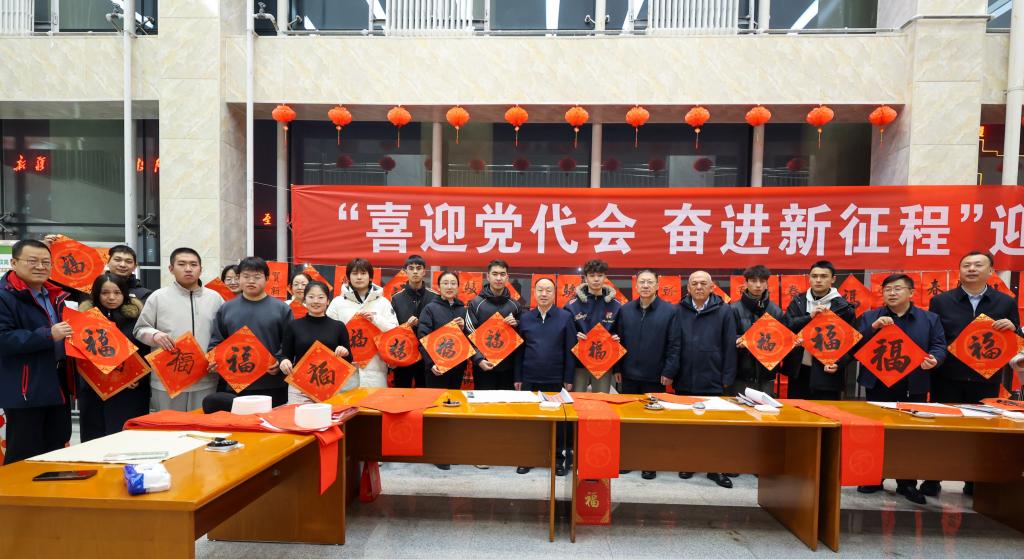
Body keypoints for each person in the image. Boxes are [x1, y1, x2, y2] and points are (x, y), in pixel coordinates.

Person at [921, 251, 1020, 498]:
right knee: (942, 429)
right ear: (960, 270)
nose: (972, 269)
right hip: (947, 376)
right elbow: (936, 337)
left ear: (991, 271)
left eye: (978, 265)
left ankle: (974, 481)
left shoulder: (1005, 302)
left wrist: (1013, 328)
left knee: (980, 432)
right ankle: (933, 478)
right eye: (967, 265)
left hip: (985, 378)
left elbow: (1015, 339)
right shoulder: (941, 301)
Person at [855, 273, 946, 504]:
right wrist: (873, 328)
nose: (892, 293)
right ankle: (873, 477)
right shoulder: (870, 317)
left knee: (908, 434)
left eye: (897, 289)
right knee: (876, 431)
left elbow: (939, 345)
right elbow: (854, 345)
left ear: (911, 293)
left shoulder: (929, 319)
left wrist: (935, 359)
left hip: (913, 384)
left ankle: (907, 482)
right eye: (887, 289)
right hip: (878, 383)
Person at [0, 239, 73, 463]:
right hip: (25, 386)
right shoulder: (4, 296)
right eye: (32, 261)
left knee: (56, 447)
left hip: (58, 381)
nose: (40, 267)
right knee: (24, 451)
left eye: (46, 262)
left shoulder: (55, 294)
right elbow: (3, 339)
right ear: (14, 263)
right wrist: (48, 335)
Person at [417, 271, 494, 471]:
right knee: (436, 409)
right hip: (436, 368)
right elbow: (422, 338)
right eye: (446, 283)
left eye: (453, 283)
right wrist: (431, 363)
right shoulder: (430, 308)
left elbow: (470, 338)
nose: (449, 286)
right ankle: (436, 452)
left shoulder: (463, 309)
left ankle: (450, 449)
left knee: (452, 408)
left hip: (457, 366)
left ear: (458, 287)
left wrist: (477, 356)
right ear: (439, 286)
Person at [134, 247, 224, 411]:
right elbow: (140, 329)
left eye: (193, 264)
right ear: (171, 269)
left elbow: (224, 334)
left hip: (205, 377)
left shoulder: (215, 298)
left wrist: (219, 357)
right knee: (170, 424)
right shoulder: (158, 297)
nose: (188, 269)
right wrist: (155, 335)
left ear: (201, 269)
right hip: (168, 378)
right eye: (182, 264)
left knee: (201, 424)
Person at [675, 271, 738, 489]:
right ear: (688, 288)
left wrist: (727, 377)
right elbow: (674, 344)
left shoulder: (724, 310)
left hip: (713, 377)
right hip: (685, 377)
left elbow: (730, 345)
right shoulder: (679, 310)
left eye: (703, 283)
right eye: (694, 283)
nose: (699, 287)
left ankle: (715, 468)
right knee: (688, 426)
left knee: (714, 428)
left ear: (712, 287)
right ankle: (689, 463)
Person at [615, 269, 680, 480]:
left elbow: (674, 344)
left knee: (651, 421)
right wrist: (617, 368)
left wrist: (669, 370)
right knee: (628, 420)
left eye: (649, 282)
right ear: (636, 285)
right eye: (642, 282)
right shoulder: (625, 310)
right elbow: (618, 341)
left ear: (657, 285)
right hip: (629, 374)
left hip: (656, 375)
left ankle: (649, 462)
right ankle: (628, 458)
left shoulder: (670, 311)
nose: (645, 286)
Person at [208, 256, 293, 407]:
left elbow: (290, 343)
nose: (251, 281)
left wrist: (280, 360)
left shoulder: (281, 309)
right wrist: (214, 360)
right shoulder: (227, 308)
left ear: (267, 279)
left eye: (257, 277)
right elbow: (217, 341)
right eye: (246, 276)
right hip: (236, 383)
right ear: (239, 278)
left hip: (272, 382)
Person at [76, 273, 150, 441]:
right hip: (94, 390)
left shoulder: (137, 320)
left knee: (125, 439)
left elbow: (147, 352)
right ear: (96, 294)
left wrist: (140, 377)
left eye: (117, 293)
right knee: (94, 438)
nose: (111, 297)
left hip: (129, 391)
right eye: (105, 293)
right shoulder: (84, 320)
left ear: (125, 293)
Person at [514, 277, 576, 476]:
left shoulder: (565, 317)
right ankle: (528, 457)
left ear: (554, 293)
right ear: (534, 292)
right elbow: (519, 351)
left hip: (555, 378)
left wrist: (569, 378)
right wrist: (518, 377)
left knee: (557, 421)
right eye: (540, 290)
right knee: (530, 420)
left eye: (548, 290)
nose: (543, 294)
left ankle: (558, 458)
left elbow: (570, 350)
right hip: (529, 377)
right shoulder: (526, 318)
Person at [782, 260, 856, 400]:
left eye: (823, 276)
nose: (818, 280)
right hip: (799, 369)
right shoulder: (798, 301)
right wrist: (809, 317)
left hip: (826, 372)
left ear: (833, 279)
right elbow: (786, 325)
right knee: (796, 409)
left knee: (825, 411)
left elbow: (852, 342)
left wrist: (839, 363)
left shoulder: (844, 307)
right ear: (809, 278)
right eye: (814, 276)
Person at [325, 258, 398, 389]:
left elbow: (395, 333)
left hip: (375, 369)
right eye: (354, 273)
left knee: (374, 402)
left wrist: (376, 319)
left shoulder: (383, 302)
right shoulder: (337, 302)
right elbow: (327, 334)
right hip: (345, 369)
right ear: (348, 277)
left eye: (363, 273)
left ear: (370, 277)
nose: (359, 277)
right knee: (346, 402)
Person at [280, 281, 351, 404]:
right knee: (299, 416)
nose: (316, 301)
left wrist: (344, 352)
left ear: (328, 301)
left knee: (329, 416)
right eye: (311, 297)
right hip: (299, 388)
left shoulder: (338, 326)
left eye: (321, 297)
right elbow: (286, 355)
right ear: (305, 299)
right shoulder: (294, 326)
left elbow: (349, 359)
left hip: (329, 386)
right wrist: (284, 361)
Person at [564, 259, 621, 393]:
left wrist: (615, 338)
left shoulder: (616, 305)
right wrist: (575, 338)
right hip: (579, 363)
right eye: (592, 275)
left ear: (605, 277)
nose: (596, 279)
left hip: (604, 362)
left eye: (600, 275)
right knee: (578, 399)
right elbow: (566, 336)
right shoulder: (572, 305)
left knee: (601, 399)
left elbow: (620, 334)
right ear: (585, 278)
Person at [467, 259, 522, 390]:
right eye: (495, 274)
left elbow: (523, 335)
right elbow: (468, 333)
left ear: (507, 277)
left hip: (508, 368)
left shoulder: (515, 305)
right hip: (483, 366)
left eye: (502, 274)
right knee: (483, 402)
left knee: (506, 402)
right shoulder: (476, 303)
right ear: (488, 276)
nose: (498, 278)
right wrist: (478, 359)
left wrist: (517, 324)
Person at [732, 265, 784, 397]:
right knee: (739, 408)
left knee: (765, 409)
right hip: (741, 373)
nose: (758, 285)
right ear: (745, 283)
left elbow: (781, 339)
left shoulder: (775, 311)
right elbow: (726, 336)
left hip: (766, 374)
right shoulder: (733, 309)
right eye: (753, 281)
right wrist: (740, 339)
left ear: (767, 284)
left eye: (762, 281)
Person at [389, 255, 438, 388]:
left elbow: (438, 326)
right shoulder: (396, 298)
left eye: (418, 268)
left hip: (427, 355)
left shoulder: (435, 297)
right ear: (405, 271)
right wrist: (407, 326)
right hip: (403, 353)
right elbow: (392, 328)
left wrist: (421, 324)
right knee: (401, 393)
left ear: (424, 271)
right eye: (411, 268)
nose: (415, 272)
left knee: (425, 393)